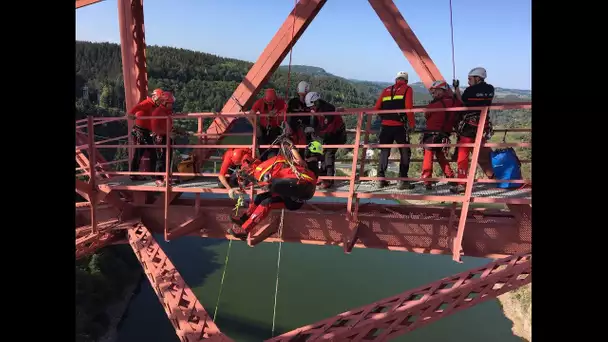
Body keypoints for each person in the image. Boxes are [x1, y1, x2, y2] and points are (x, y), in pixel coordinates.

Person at [227, 140, 322, 240]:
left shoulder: (312, 166)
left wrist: (291, 147)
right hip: (287, 193)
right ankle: (243, 219)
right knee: (260, 197)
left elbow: (301, 164)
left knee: (267, 202)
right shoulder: (310, 165)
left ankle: (245, 230)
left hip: (292, 201)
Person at [452, 67, 495, 193]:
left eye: (470, 79)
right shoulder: (490, 89)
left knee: (463, 155)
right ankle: (495, 177)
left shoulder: (470, 91)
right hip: (482, 126)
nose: (469, 81)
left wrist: (456, 89)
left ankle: (462, 183)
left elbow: (462, 102)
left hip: (469, 127)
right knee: (483, 154)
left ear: (478, 78)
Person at [374, 71, 416, 190]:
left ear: (396, 79)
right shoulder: (407, 89)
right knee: (405, 152)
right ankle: (402, 181)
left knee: (384, 152)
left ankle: (380, 180)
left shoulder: (386, 90)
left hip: (385, 126)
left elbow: (377, 108)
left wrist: (385, 117)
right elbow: (408, 108)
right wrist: (412, 124)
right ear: (406, 81)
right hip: (399, 126)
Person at [420, 81, 461, 191]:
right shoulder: (454, 102)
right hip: (444, 135)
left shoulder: (434, 104)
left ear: (441, 91)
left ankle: (427, 181)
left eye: (435, 91)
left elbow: (426, 114)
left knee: (428, 155)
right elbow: (460, 103)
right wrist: (456, 90)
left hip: (432, 134)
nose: (433, 93)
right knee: (440, 156)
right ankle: (451, 178)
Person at [305, 92, 346, 189]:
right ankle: (323, 177)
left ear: (316, 102)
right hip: (328, 135)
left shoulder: (328, 111)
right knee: (322, 154)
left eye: (313, 106)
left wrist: (315, 131)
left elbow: (329, 130)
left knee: (328, 154)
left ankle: (328, 180)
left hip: (336, 135)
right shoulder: (318, 109)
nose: (312, 108)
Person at [127, 88, 165, 181]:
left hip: (145, 132)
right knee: (142, 153)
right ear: (154, 97)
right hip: (140, 131)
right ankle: (136, 174)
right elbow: (137, 107)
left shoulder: (154, 105)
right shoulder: (147, 103)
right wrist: (131, 114)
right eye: (159, 100)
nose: (160, 102)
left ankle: (149, 174)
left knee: (148, 153)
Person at [250, 88, 287, 160]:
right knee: (262, 147)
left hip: (275, 128)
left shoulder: (281, 102)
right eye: (267, 103)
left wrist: (278, 114)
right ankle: (263, 163)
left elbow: (287, 113)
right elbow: (250, 115)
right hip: (263, 129)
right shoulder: (260, 102)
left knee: (275, 148)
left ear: (274, 100)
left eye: (270, 103)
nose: (269, 105)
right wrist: (255, 127)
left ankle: (275, 162)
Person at [150, 91, 176, 186]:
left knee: (168, 157)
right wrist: (168, 133)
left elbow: (168, 125)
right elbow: (155, 128)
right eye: (170, 103)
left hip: (166, 136)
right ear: (165, 102)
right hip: (160, 137)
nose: (172, 105)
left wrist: (173, 132)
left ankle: (166, 177)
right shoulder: (158, 112)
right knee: (161, 158)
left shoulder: (166, 111)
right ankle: (159, 179)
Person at [287, 81, 312, 147]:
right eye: (301, 95)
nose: (302, 97)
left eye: (303, 95)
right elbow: (288, 114)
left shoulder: (293, 101)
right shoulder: (293, 102)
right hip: (295, 128)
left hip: (303, 128)